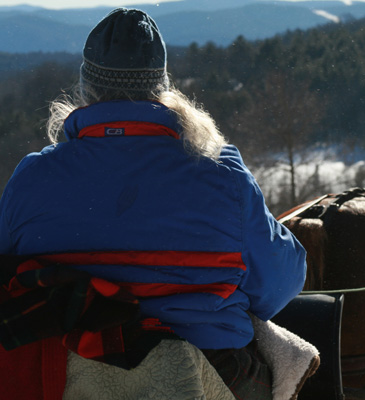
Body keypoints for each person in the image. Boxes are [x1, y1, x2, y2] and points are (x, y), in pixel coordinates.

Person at [0, 8, 306, 399]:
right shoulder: (221, 174)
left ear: (86, 88)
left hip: (66, 374)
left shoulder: (32, 178)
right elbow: (280, 285)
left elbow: (8, 276)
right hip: (210, 368)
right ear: (161, 87)